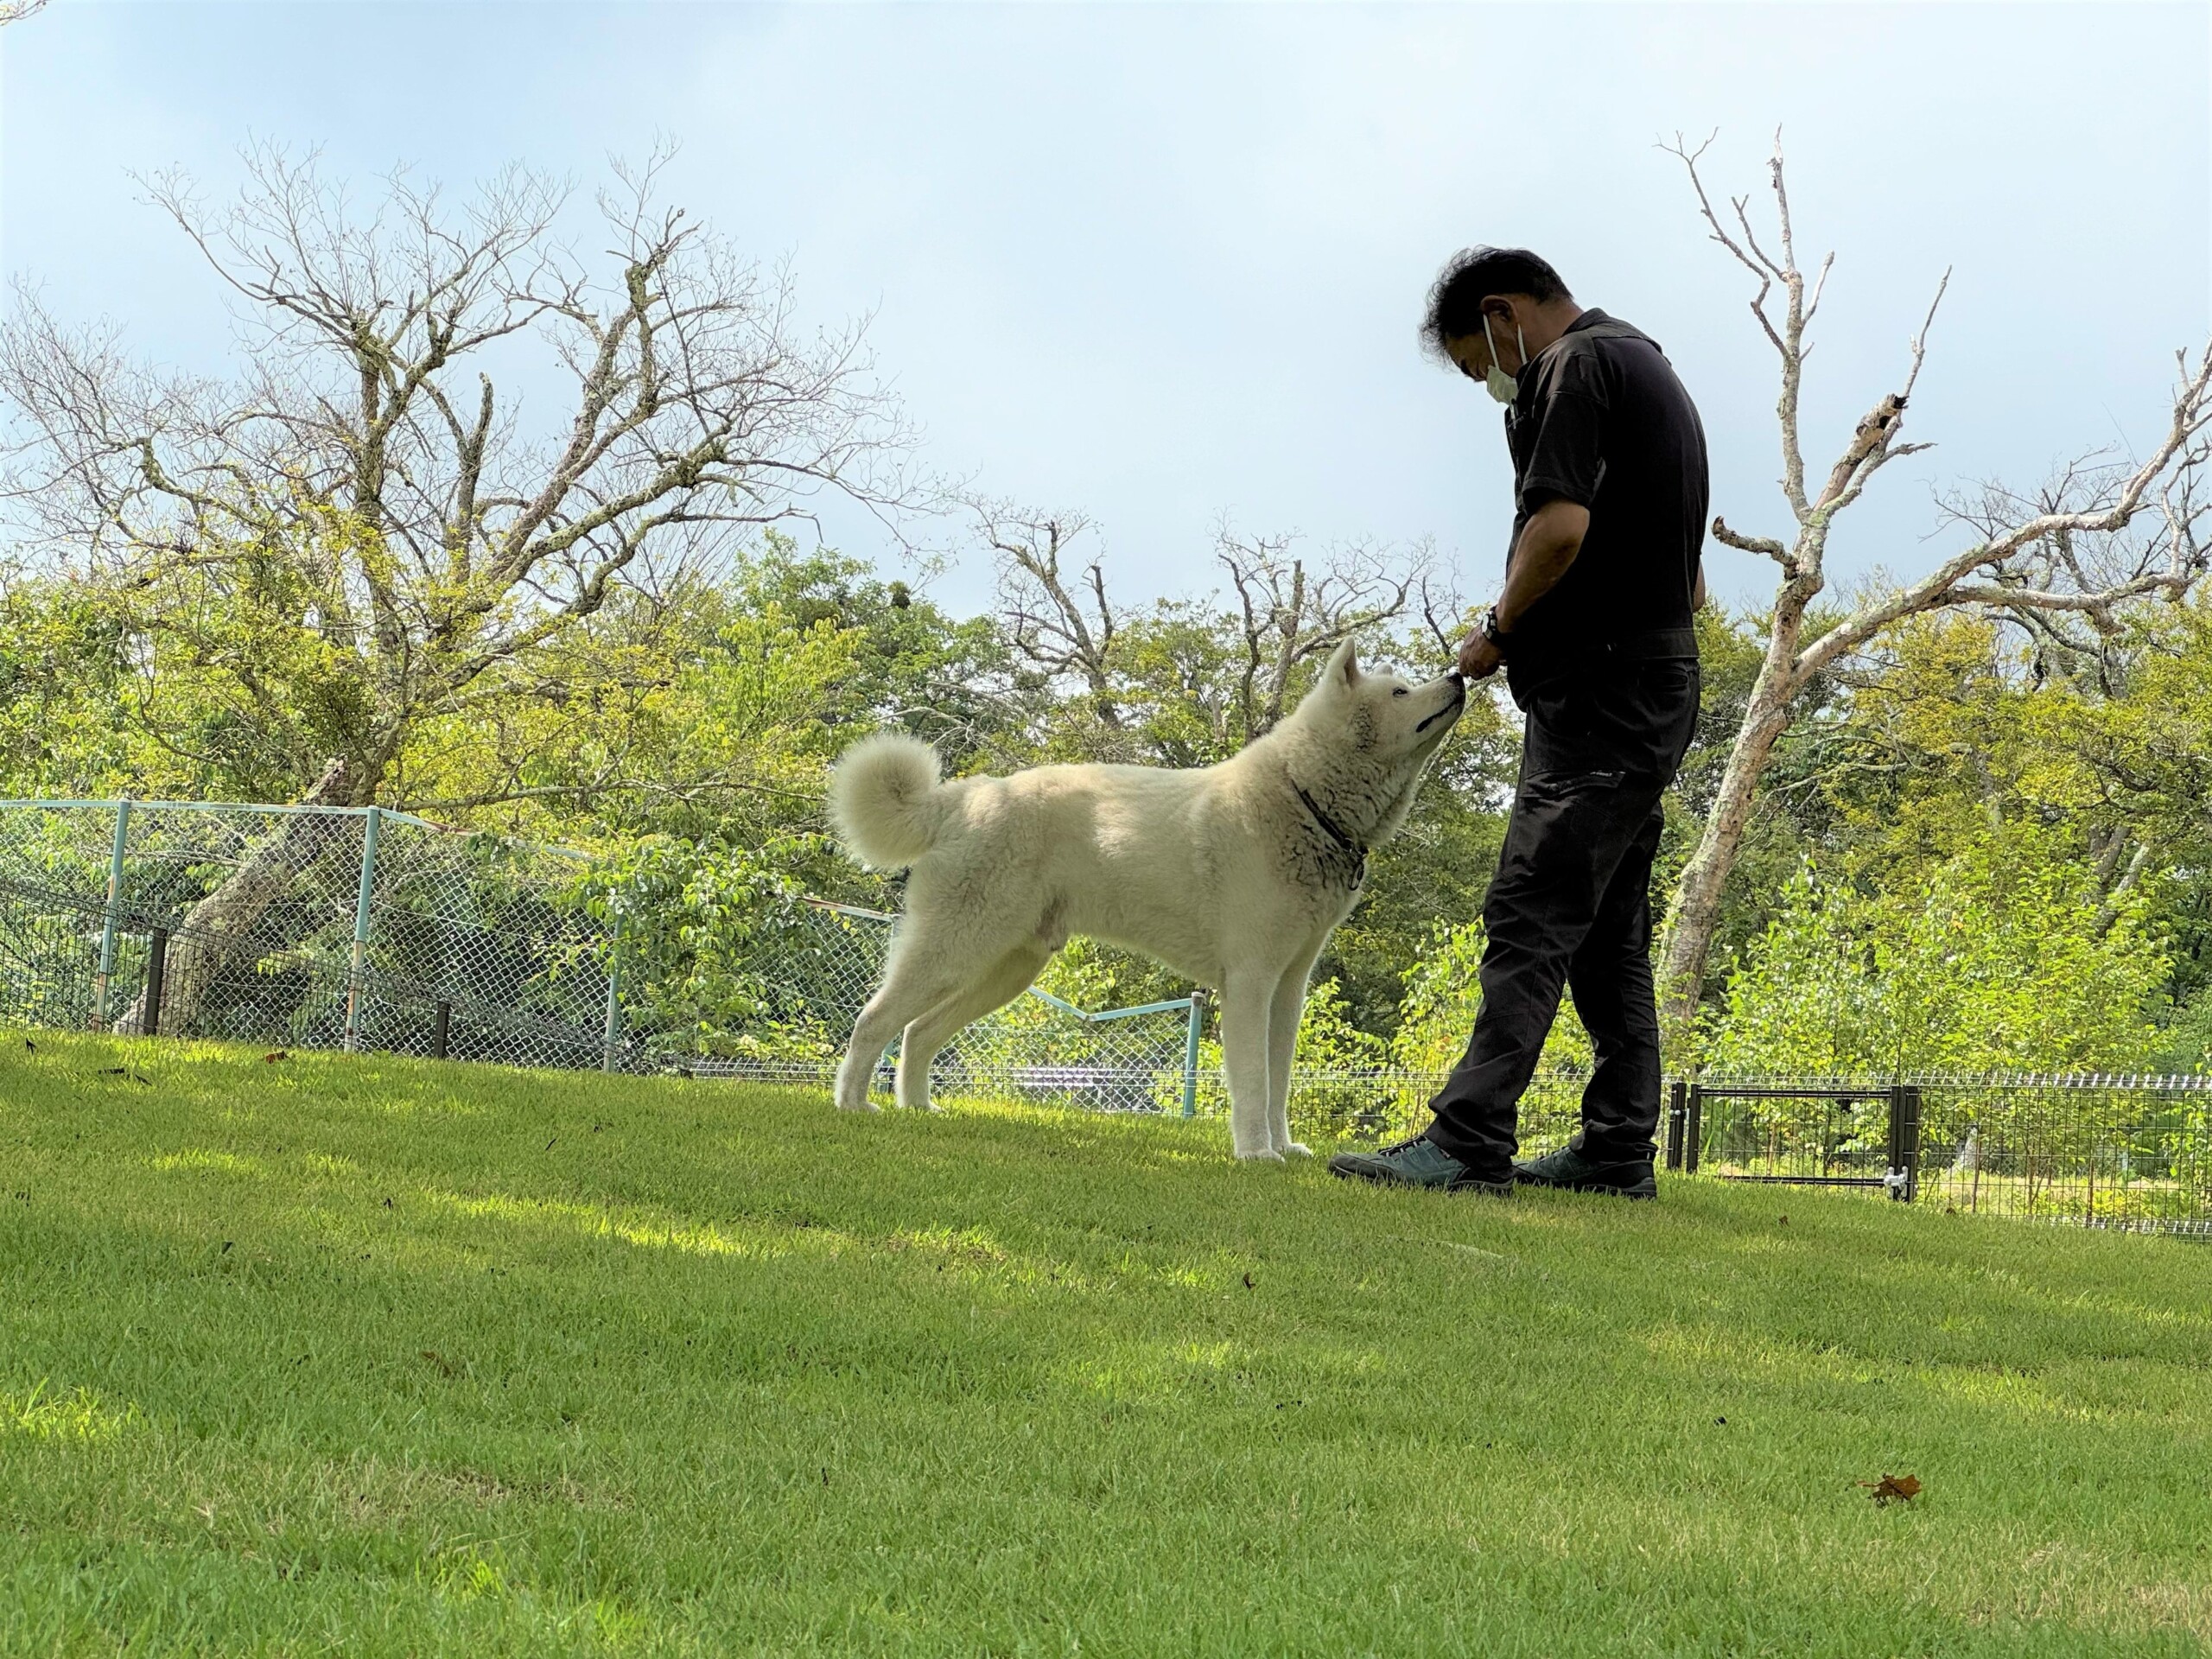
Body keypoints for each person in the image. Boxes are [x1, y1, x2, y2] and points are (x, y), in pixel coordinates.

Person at [1330, 246, 1707, 1200]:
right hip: (1651, 682)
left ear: (1502, 315)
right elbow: (1691, 575)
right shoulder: (1648, 364)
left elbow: (1561, 528)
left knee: (1530, 910)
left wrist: (1497, 629)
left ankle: (1466, 1140)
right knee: (1606, 930)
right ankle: (1617, 1150)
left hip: (1601, 694)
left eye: (1475, 362)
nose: (1489, 382)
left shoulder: (1572, 366)